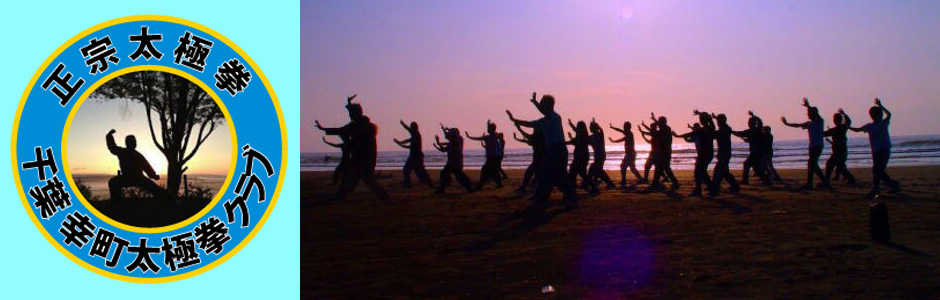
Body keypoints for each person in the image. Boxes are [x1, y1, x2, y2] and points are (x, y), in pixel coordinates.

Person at [507, 93, 578, 209]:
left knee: (558, 177)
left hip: (558, 151)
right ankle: (542, 197)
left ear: (549, 105)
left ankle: (570, 198)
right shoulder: (543, 121)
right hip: (551, 151)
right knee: (546, 174)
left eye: (542, 103)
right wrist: (515, 120)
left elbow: (542, 113)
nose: (541, 106)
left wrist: (535, 103)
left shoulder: (555, 117)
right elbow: (530, 124)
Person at [315, 94, 390, 200]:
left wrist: (324, 129)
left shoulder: (362, 126)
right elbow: (341, 130)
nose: (350, 115)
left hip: (364, 159)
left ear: (356, 113)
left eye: (351, 113)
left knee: (368, 180)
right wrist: (323, 129)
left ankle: (384, 197)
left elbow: (343, 131)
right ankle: (341, 195)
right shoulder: (359, 124)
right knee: (350, 177)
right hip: (360, 158)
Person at [850, 98, 900, 197]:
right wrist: (847, 127)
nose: (876, 116)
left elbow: (889, 114)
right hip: (876, 151)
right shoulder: (870, 126)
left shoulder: (883, 123)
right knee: (877, 170)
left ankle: (877, 189)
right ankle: (892, 185)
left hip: (884, 150)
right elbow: (857, 130)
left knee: (877, 170)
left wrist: (880, 105)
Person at [782, 97, 829, 189]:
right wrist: (787, 124)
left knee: (812, 163)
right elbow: (797, 125)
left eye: (809, 113)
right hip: (812, 146)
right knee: (813, 164)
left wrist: (808, 106)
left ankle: (812, 183)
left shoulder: (819, 121)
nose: (807, 114)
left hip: (817, 146)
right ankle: (822, 182)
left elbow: (816, 113)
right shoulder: (809, 123)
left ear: (813, 113)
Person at [106, 129, 165, 201]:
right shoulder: (126, 153)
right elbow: (112, 147)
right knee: (113, 182)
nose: (135, 143)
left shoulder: (124, 152)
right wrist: (153, 176)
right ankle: (116, 201)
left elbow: (146, 167)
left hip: (135, 178)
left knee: (113, 182)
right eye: (133, 141)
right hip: (134, 178)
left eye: (134, 141)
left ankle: (167, 199)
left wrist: (153, 175)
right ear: (129, 143)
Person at [434, 125, 475, 194]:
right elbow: (443, 149)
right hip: (452, 162)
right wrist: (438, 142)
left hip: (455, 162)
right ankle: (469, 187)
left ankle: (469, 187)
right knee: (454, 175)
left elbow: (448, 140)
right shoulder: (454, 141)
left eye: (451, 133)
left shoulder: (458, 139)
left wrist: (444, 131)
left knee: (457, 175)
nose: (449, 134)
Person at [394, 120, 433, 188]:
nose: (410, 129)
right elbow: (408, 136)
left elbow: (410, 146)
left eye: (411, 127)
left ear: (414, 128)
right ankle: (428, 182)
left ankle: (407, 185)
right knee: (420, 171)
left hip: (415, 156)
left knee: (406, 170)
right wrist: (400, 142)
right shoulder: (415, 134)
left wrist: (400, 144)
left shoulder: (416, 135)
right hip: (417, 156)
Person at [734, 111, 770, 185]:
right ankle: (766, 180)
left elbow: (740, 133)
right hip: (757, 152)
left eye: (750, 122)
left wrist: (730, 131)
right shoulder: (757, 130)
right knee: (756, 168)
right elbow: (741, 134)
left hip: (756, 153)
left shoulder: (755, 130)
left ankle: (746, 180)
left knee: (747, 165)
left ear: (751, 123)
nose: (748, 123)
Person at [708, 112, 740, 197]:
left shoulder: (723, 130)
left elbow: (713, 135)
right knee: (723, 172)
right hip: (725, 153)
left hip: (724, 154)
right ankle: (735, 186)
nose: (717, 123)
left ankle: (715, 190)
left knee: (718, 173)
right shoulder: (726, 128)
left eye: (718, 121)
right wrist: (714, 118)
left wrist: (711, 121)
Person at [466, 120, 504, 189]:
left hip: (493, 157)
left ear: (492, 129)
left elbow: (495, 133)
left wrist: (489, 125)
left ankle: (480, 185)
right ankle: (499, 184)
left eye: (489, 128)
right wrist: (469, 137)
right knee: (492, 171)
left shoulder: (495, 136)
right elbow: (478, 138)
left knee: (485, 170)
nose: (487, 130)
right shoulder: (488, 137)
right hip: (491, 157)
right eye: (488, 128)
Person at [646, 113, 679, 191]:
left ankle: (655, 184)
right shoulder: (661, 131)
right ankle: (674, 183)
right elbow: (653, 133)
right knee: (665, 169)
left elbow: (657, 131)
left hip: (665, 153)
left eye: (660, 122)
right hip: (662, 153)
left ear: (664, 122)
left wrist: (654, 119)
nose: (658, 125)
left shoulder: (667, 129)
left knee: (660, 169)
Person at [823, 109, 856, 185]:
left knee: (837, 167)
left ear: (840, 120)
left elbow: (848, 121)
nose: (835, 120)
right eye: (834, 119)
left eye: (837, 119)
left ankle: (851, 179)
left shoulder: (843, 127)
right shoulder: (833, 129)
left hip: (841, 152)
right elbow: (824, 133)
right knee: (833, 165)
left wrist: (844, 113)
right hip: (836, 152)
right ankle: (827, 181)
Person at [566, 119, 599, 195]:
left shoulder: (583, 136)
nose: (578, 128)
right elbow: (573, 140)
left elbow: (574, 141)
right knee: (578, 173)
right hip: (580, 157)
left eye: (579, 127)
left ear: (582, 128)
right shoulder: (581, 135)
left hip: (581, 157)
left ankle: (572, 190)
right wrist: (571, 124)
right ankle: (592, 188)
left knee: (577, 173)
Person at [609, 121, 645, 189]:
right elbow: (621, 139)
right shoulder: (628, 134)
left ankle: (624, 180)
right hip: (631, 153)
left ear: (629, 127)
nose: (624, 128)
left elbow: (620, 131)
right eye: (624, 126)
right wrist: (613, 141)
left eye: (625, 126)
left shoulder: (629, 133)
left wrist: (612, 127)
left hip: (630, 154)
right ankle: (640, 179)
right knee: (632, 168)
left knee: (623, 166)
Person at [513, 124, 544, 192]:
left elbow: (527, 137)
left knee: (531, 172)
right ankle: (526, 186)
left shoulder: (539, 137)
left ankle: (524, 187)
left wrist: (519, 129)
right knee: (536, 174)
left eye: (535, 128)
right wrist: (519, 130)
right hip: (538, 158)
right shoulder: (537, 136)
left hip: (540, 158)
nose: (534, 129)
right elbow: (527, 138)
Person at [588, 119, 616, 189]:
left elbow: (601, 129)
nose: (590, 128)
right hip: (600, 156)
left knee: (597, 170)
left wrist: (595, 124)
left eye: (591, 127)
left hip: (600, 156)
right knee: (595, 169)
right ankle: (590, 182)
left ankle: (610, 183)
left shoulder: (599, 135)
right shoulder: (594, 136)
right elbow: (586, 140)